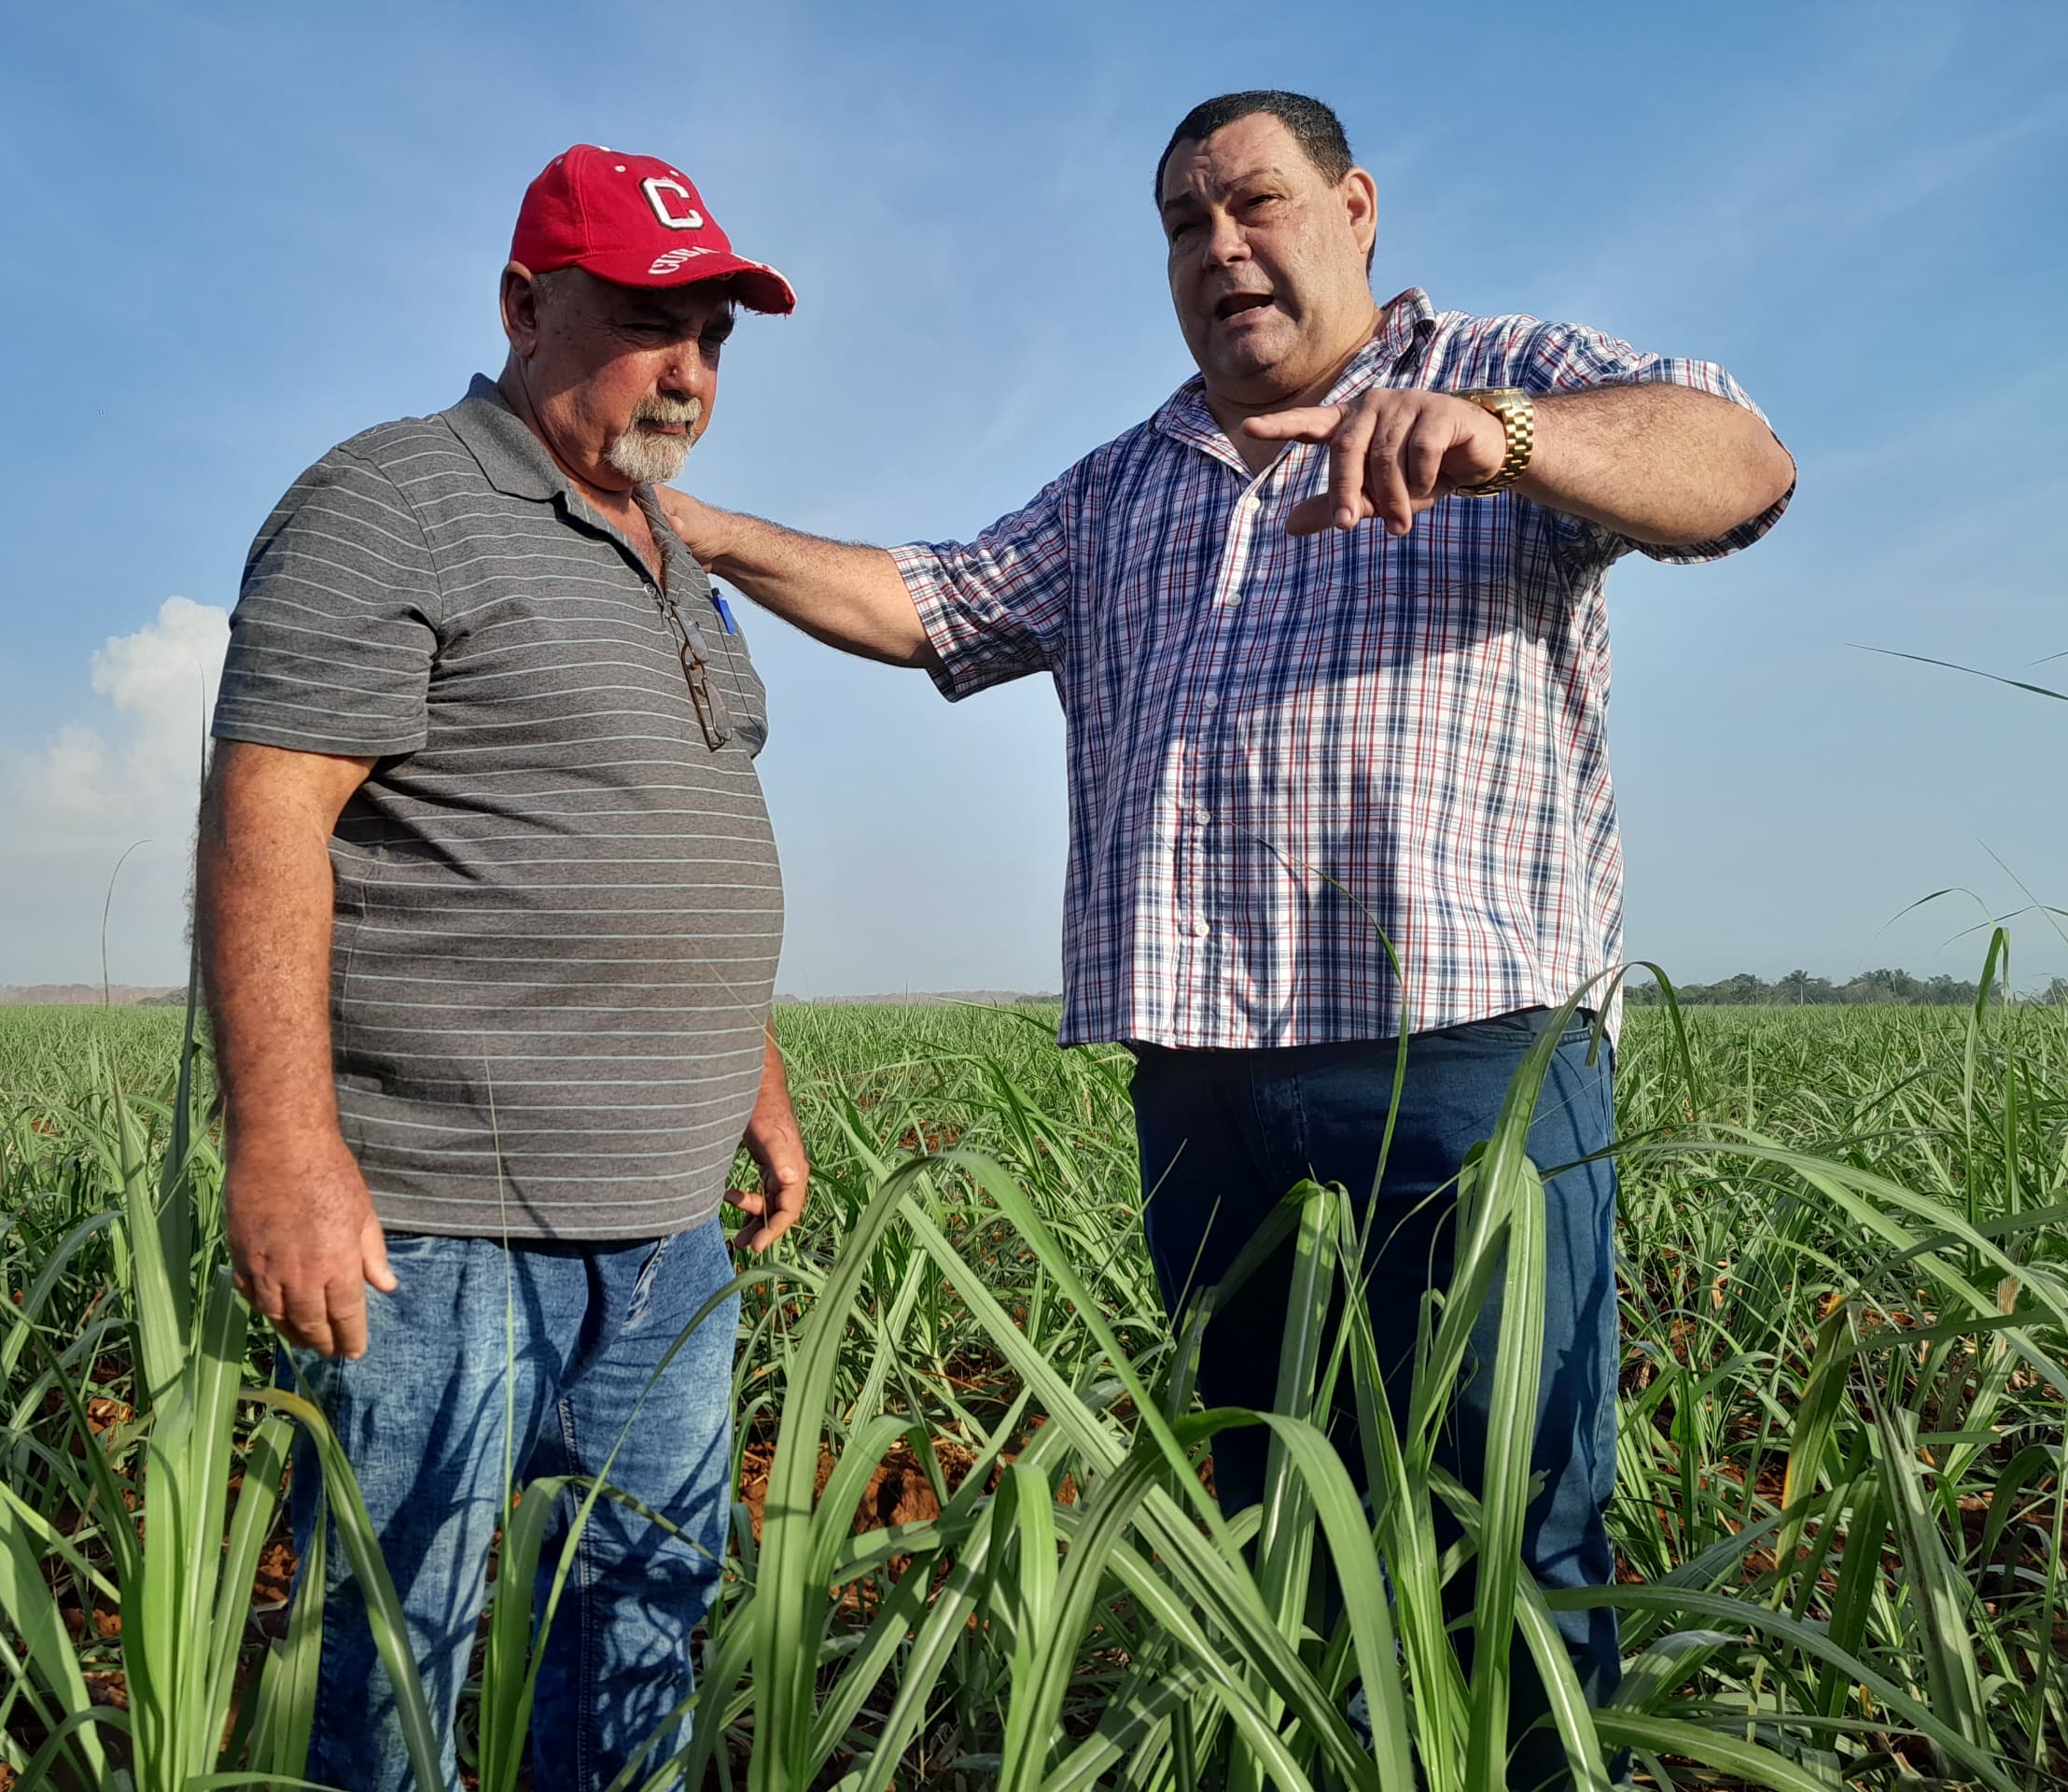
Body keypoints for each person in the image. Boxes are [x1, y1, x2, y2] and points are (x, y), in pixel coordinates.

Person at [660, 90, 1795, 1779]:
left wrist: (1509, 434)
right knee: (1272, 1519)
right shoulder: (1133, 479)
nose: (1221, 249)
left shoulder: (1498, 366)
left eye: (1255, 205)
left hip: (1468, 1060)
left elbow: (1741, 464)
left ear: (1355, 209)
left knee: (1504, 1534)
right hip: (1199, 1085)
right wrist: (692, 530)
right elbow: (929, 603)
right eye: (1187, 224)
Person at [196, 145, 808, 1792]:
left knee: (640, 1627)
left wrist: (750, 1074)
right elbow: (268, 824)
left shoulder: (672, 551)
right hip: (441, 1229)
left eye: (717, 333)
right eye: (647, 320)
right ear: (527, 307)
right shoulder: (389, 499)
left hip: (668, 1223)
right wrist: (286, 1148)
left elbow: (673, 823)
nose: (689, 368)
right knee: (392, 1654)